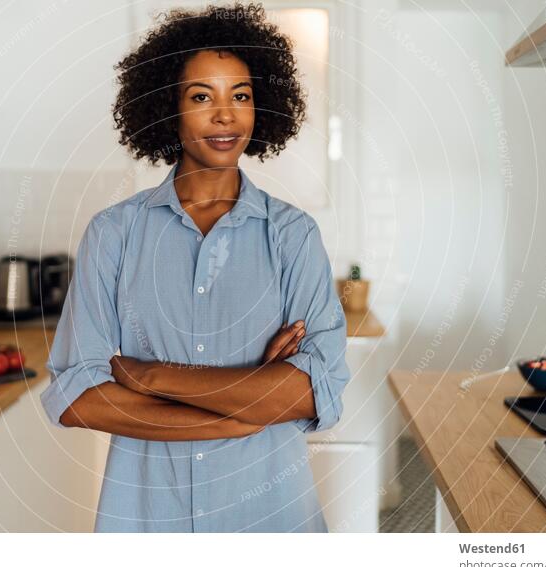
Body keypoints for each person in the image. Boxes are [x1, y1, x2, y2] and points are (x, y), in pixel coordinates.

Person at [40, 1, 350, 533]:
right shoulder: (114, 233)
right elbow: (80, 398)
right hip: (145, 524)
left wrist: (151, 377)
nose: (225, 115)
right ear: (167, 108)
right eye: (201, 96)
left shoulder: (293, 236)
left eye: (242, 96)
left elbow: (312, 392)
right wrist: (251, 395)